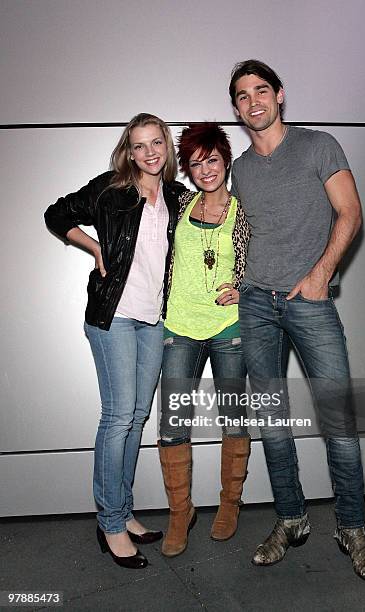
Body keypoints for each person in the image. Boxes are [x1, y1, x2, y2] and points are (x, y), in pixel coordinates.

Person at [228, 59, 365, 584]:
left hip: (310, 302)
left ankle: (352, 528)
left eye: (261, 90)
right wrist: (235, 279)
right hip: (255, 304)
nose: (253, 102)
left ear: (280, 95)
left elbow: (351, 213)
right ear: (236, 107)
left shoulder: (320, 145)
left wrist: (321, 275)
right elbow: (246, 233)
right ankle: (291, 520)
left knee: (339, 420)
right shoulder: (242, 168)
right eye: (242, 95)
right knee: (271, 421)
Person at [44, 113, 186, 569]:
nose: (148, 152)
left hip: (154, 319)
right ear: (128, 151)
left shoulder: (176, 196)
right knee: (119, 416)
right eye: (139, 145)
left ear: (167, 147)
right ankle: (109, 522)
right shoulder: (110, 189)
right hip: (114, 316)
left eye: (156, 143)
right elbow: (57, 214)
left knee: (137, 416)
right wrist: (94, 247)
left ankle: (123, 513)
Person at [158, 123, 251, 557]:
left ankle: (229, 503)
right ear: (189, 170)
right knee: (173, 424)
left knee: (233, 417)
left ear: (225, 160)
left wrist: (244, 285)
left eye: (212, 159)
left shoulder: (244, 210)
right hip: (180, 327)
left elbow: (264, 259)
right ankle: (181, 511)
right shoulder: (178, 205)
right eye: (196, 163)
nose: (205, 169)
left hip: (228, 329)